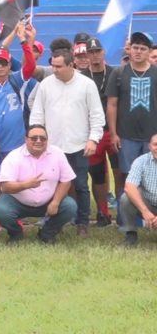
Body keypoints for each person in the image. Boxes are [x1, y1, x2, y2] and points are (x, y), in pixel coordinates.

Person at [29, 48, 104, 237]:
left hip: (79, 145)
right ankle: (55, 220)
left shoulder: (87, 85)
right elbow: (37, 113)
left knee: (80, 185)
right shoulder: (45, 84)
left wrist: (93, 140)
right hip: (51, 147)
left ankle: (82, 222)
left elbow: (96, 115)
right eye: (53, 65)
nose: (54, 70)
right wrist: (37, 139)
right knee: (50, 184)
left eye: (59, 66)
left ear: (72, 65)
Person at [0, 25, 37, 231]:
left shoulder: (15, 81)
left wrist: (24, 42)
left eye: (4, 63)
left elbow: (30, 66)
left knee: (14, 181)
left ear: (9, 64)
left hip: (16, 142)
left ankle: (14, 215)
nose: (0, 67)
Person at [0, 125, 78, 244]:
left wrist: (55, 202)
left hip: (48, 202)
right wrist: (25, 185)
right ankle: (15, 234)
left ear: (47, 140)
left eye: (42, 138)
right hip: (18, 202)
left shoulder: (57, 153)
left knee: (70, 206)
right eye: (34, 138)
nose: (38, 141)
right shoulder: (14, 156)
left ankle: (47, 233)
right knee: (1, 210)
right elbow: (5, 187)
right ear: (26, 139)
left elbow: (66, 180)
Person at [106, 31, 157, 223]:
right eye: (135, 47)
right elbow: (111, 104)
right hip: (126, 136)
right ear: (130, 49)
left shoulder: (156, 72)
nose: (138, 51)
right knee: (128, 177)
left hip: (153, 137)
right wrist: (113, 133)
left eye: (143, 49)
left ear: (148, 51)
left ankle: (149, 217)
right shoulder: (119, 73)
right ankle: (127, 222)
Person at [81, 37, 118, 226]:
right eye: (91, 52)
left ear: (103, 52)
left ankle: (122, 211)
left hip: (113, 132)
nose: (94, 55)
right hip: (92, 134)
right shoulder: (81, 76)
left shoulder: (114, 73)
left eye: (97, 51)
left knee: (119, 172)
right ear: (87, 54)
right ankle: (103, 212)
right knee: (97, 174)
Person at [119, 133, 157, 247]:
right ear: (149, 146)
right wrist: (145, 211)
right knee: (126, 197)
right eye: (155, 144)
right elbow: (129, 187)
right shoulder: (141, 161)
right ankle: (131, 234)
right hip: (148, 204)